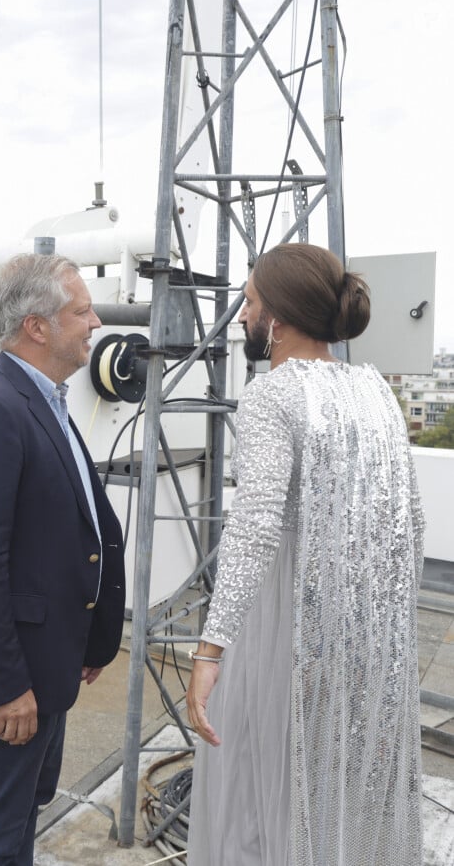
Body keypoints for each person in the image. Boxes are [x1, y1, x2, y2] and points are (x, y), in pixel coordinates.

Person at [186, 243, 424, 866]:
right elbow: (411, 523)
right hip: (358, 629)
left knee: (255, 777)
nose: (242, 315)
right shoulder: (375, 392)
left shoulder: (273, 395)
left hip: (281, 623)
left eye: (250, 301)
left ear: (280, 318)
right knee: (330, 783)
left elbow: (255, 528)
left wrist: (210, 649)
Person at [0, 253, 126, 865]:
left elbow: (67, 535)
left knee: (17, 824)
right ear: (37, 327)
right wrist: (7, 686)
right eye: (81, 310)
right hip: (12, 681)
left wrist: (88, 640)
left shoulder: (44, 400)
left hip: (45, 669)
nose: (95, 323)